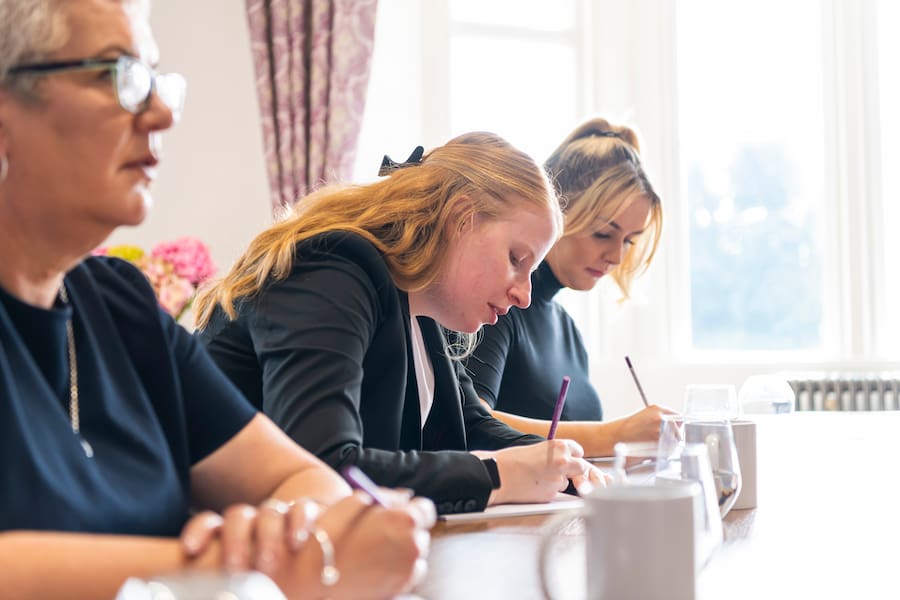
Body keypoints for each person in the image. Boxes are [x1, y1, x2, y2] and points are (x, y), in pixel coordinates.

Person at [0, 1, 433, 598]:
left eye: (155, 81)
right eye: (117, 74)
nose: (160, 113)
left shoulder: (117, 304)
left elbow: (304, 478)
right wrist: (254, 569)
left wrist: (284, 537)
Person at [194, 133, 605, 515]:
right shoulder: (333, 269)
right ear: (460, 218)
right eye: (516, 259)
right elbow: (325, 466)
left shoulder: (418, 301)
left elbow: (471, 426)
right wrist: (498, 477)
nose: (525, 295)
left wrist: (560, 463)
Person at [465, 118, 673, 457]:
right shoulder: (497, 308)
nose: (616, 256)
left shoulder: (567, 330)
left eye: (630, 242)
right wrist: (612, 435)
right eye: (604, 233)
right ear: (559, 212)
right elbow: (469, 424)